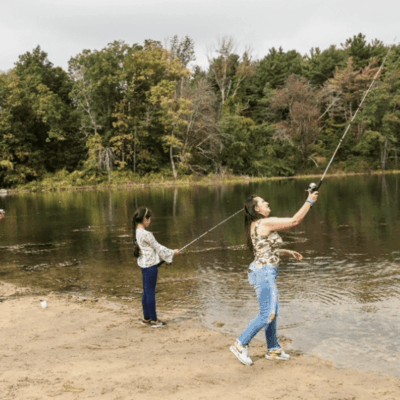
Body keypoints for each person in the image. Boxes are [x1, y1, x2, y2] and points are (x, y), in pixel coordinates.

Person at [230, 191, 319, 365]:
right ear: (257, 209)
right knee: (267, 314)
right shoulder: (265, 223)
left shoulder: (255, 224)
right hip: (263, 273)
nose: (267, 203)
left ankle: (273, 349)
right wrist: (310, 201)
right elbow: (294, 221)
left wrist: (285, 252)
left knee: (272, 312)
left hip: (261, 271)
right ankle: (240, 344)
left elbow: (263, 250)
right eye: (263, 202)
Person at [132, 206, 179, 328]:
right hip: (150, 267)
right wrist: (173, 252)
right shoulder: (147, 234)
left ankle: (146, 318)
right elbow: (159, 248)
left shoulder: (136, 231)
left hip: (144, 265)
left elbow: (155, 249)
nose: (150, 220)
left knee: (146, 291)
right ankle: (154, 320)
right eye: (149, 218)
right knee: (150, 292)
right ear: (144, 219)